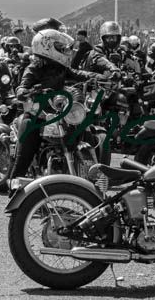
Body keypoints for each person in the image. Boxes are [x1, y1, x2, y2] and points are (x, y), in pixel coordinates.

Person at [6, 28, 97, 190]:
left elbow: (78, 74)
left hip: (58, 114)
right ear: (46, 46)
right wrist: (33, 90)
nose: (64, 51)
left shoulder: (60, 68)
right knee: (26, 152)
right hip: (36, 116)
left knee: (86, 131)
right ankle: (14, 191)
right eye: (60, 47)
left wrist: (99, 77)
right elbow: (21, 89)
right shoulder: (33, 68)